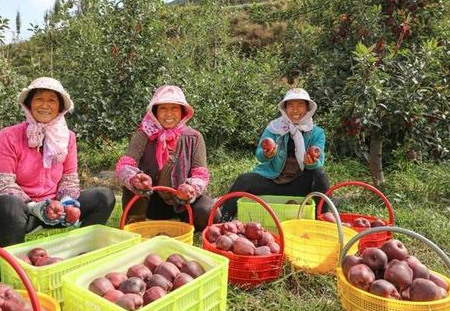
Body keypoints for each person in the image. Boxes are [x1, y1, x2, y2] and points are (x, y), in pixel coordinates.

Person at [0, 77, 115, 247]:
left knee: (104, 197)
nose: (45, 105)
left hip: (55, 211)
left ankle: (82, 249)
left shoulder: (68, 138)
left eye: (51, 100)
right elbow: (3, 184)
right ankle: (16, 265)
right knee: (7, 204)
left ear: (60, 108)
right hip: (24, 214)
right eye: (39, 99)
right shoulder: (9, 136)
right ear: (29, 104)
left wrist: (67, 203)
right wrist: (37, 208)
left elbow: (69, 179)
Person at [115, 85, 219, 231]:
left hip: (182, 201)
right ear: (155, 112)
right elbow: (125, 165)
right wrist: (135, 179)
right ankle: (136, 222)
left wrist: (190, 188)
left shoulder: (194, 138)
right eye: (163, 108)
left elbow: (200, 174)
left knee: (211, 213)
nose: (168, 114)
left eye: (174, 108)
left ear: (183, 112)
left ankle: (186, 222)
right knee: (133, 184)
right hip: (149, 200)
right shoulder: (144, 134)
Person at [221, 87, 330, 220]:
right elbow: (259, 155)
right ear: (284, 109)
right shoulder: (274, 128)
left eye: (300, 105)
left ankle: (322, 218)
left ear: (308, 109)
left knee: (320, 176)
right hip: (273, 181)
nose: (295, 110)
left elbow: (320, 159)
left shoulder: (317, 133)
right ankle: (222, 219)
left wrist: (312, 163)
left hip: (299, 184)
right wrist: (267, 154)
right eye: (290, 105)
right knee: (244, 180)